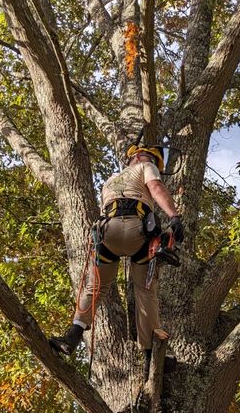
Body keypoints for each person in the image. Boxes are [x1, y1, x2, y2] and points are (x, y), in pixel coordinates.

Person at [50, 145, 184, 356]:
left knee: (95, 288)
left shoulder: (111, 180)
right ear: (140, 157)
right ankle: (151, 353)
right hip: (135, 232)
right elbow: (156, 187)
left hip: (106, 235)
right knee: (145, 291)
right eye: (150, 158)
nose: (151, 162)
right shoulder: (146, 166)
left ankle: (72, 336)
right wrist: (174, 216)